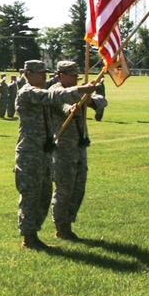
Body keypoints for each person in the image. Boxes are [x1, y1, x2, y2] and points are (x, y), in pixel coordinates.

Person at [13, 60, 96, 250]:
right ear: (28, 73)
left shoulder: (42, 92)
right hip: (29, 152)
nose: (43, 76)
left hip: (45, 151)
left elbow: (57, 100)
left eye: (45, 72)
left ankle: (34, 234)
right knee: (30, 195)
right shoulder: (28, 92)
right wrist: (80, 90)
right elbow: (52, 96)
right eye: (39, 72)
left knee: (44, 194)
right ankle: (28, 237)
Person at [51, 61, 107, 241]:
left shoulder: (79, 91)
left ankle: (69, 222)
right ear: (61, 75)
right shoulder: (55, 91)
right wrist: (71, 109)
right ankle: (61, 227)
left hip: (79, 146)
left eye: (77, 74)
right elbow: (61, 105)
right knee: (64, 188)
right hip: (63, 148)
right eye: (72, 75)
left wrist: (88, 99)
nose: (76, 78)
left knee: (78, 188)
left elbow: (102, 101)